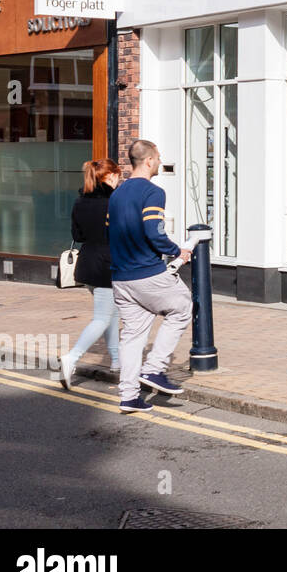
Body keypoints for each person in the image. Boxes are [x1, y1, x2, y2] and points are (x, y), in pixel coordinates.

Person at [108, 139, 192, 413]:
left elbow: (110, 232)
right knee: (182, 308)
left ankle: (129, 396)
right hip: (147, 273)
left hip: (121, 277)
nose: (159, 161)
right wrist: (176, 250)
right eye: (157, 157)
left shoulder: (117, 194)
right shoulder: (152, 192)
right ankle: (154, 369)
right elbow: (154, 231)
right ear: (148, 160)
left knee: (132, 337)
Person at [57, 159, 123, 389]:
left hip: (87, 263)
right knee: (103, 318)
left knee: (111, 315)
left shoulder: (80, 201)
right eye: (118, 176)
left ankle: (117, 362)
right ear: (110, 176)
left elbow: (78, 234)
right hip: (106, 264)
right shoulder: (113, 202)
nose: (119, 181)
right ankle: (71, 359)